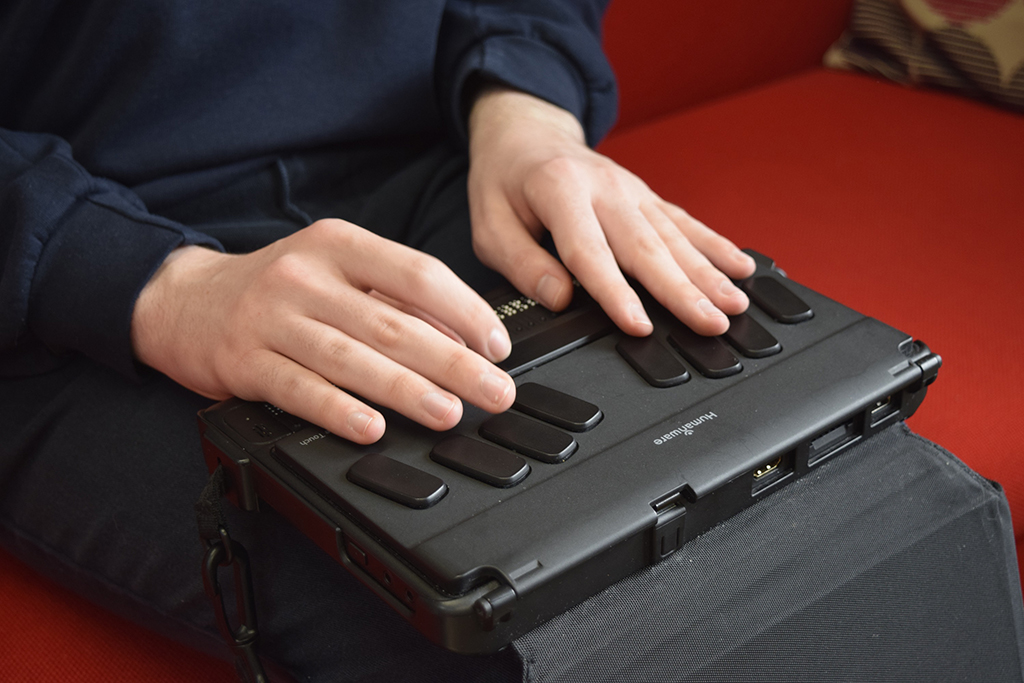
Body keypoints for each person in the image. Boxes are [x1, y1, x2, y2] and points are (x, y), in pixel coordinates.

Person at [0, 1, 754, 679]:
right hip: (69, 287)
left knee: (790, 439)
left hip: (451, 160)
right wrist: (146, 282)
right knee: (518, 620)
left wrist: (526, 109)